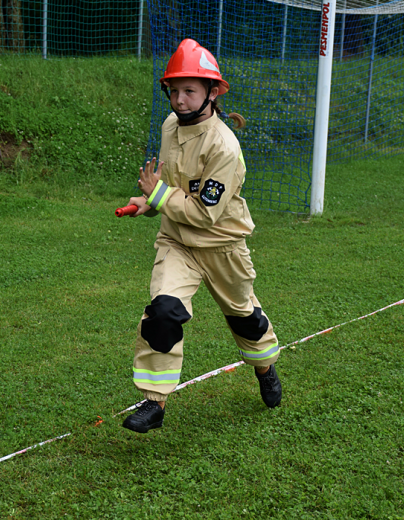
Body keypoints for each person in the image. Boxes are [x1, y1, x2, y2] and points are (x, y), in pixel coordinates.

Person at [122, 39, 282, 434]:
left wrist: (159, 194)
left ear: (212, 93)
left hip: (222, 247)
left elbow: (204, 213)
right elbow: (178, 187)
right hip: (177, 243)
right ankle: (154, 402)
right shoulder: (169, 126)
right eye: (174, 90)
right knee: (162, 313)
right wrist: (149, 202)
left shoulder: (225, 146)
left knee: (245, 320)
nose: (179, 99)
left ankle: (265, 368)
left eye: (189, 90)